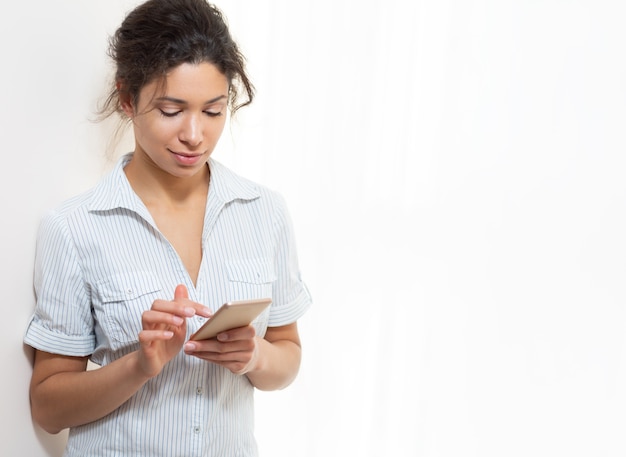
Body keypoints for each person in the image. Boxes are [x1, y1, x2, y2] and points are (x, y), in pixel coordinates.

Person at [23, 0, 312, 455]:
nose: (194, 134)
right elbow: (48, 406)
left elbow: (288, 355)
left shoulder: (265, 212)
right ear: (126, 98)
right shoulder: (74, 228)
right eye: (171, 110)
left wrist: (255, 355)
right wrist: (139, 365)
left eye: (213, 111)